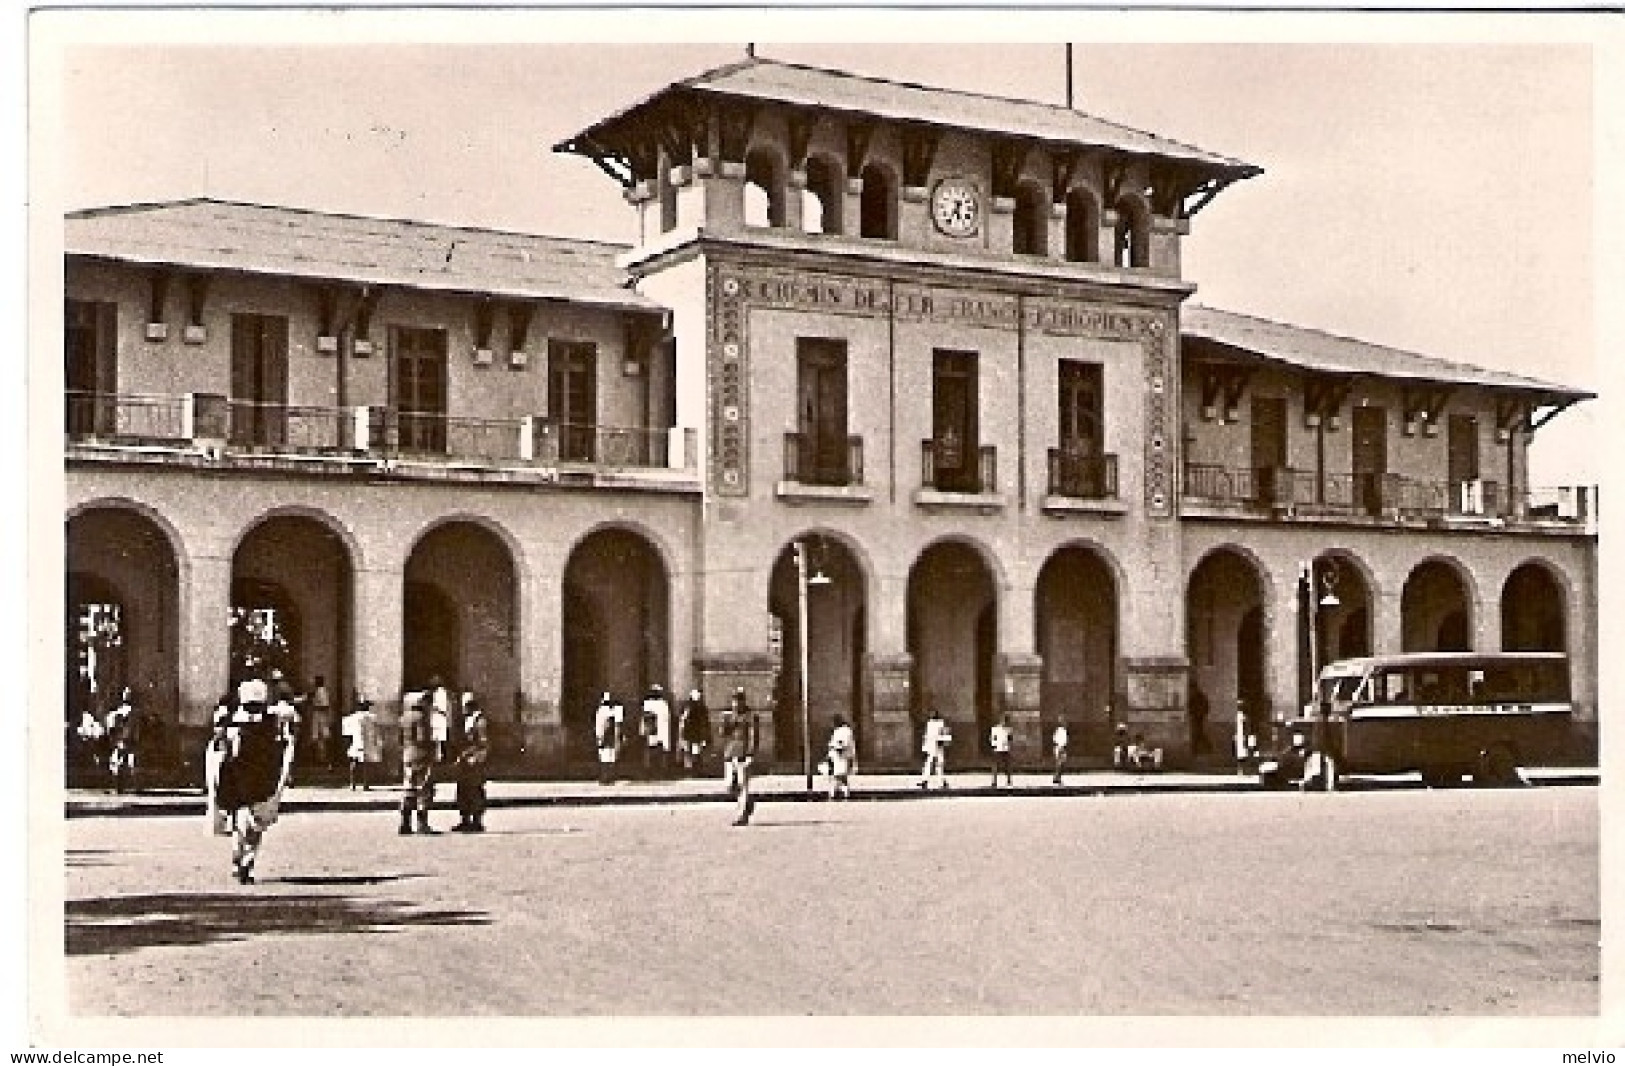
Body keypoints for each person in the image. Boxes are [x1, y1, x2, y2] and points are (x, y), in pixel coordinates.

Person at [206, 679, 295, 884]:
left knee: (239, 819)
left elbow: (218, 745)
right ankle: (247, 859)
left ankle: (239, 858)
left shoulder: (231, 719)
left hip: (236, 775)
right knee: (256, 822)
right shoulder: (272, 720)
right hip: (260, 777)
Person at [398, 692, 437, 835]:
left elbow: (400, 740)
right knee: (424, 789)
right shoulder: (421, 718)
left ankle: (405, 823)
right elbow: (421, 737)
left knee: (409, 788)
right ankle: (422, 824)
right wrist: (432, 749)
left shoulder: (403, 718)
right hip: (420, 754)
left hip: (407, 754)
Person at [453, 692, 489, 833]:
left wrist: (477, 757)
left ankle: (476, 821)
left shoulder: (480, 721)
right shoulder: (466, 720)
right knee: (463, 790)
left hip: (474, 761)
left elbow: (484, 743)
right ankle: (465, 819)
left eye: (465, 706)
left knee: (475, 790)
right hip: (464, 761)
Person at [720, 687, 757, 825]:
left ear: (743, 701)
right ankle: (749, 803)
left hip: (743, 753)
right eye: (734, 700)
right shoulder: (729, 716)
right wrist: (725, 722)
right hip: (730, 753)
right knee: (729, 785)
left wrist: (750, 754)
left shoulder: (750, 716)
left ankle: (742, 815)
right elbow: (723, 734)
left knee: (743, 785)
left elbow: (754, 736)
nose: (735, 704)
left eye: (738, 700)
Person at [104, 687, 141, 794]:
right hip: (126, 738)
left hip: (122, 738)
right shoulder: (133, 712)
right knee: (125, 761)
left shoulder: (121, 711)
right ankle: (124, 785)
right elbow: (134, 728)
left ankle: (120, 786)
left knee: (119, 761)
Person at [643, 684, 672, 779]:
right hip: (656, 730)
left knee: (654, 750)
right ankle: (655, 770)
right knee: (655, 750)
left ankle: (656, 770)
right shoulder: (662, 704)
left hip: (657, 730)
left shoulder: (657, 703)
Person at [677, 687, 709, 775]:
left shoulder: (688, 707)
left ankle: (691, 770)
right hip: (693, 733)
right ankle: (693, 770)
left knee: (691, 751)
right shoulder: (699, 708)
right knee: (692, 751)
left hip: (692, 733)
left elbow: (683, 720)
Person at [917, 708, 951, 790]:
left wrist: (944, 741)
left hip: (938, 745)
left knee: (939, 764)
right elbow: (928, 736)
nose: (931, 715)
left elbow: (945, 733)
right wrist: (926, 746)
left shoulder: (940, 723)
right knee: (930, 763)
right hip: (931, 746)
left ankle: (941, 781)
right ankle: (925, 780)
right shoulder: (930, 723)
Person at [826, 715, 856, 800]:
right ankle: (840, 793)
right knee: (839, 776)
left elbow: (842, 744)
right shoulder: (843, 730)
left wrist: (834, 747)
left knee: (839, 776)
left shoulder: (843, 731)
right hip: (839, 757)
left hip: (841, 757)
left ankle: (835, 794)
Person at [594, 693, 622, 785]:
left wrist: (599, 737)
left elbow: (599, 726)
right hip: (610, 736)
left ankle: (605, 778)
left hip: (604, 736)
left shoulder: (600, 711)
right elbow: (616, 725)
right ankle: (609, 778)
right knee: (610, 757)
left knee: (604, 757)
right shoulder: (613, 711)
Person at [308, 675, 335, 769]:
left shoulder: (322, 691)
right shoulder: (316, 691)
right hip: (317, 716)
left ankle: (325, 760)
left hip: (321, 717)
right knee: (317, 738)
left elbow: (325, 705)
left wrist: (314, 705)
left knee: (323, 738)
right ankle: (319, 758)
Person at [989, 714, 1014, 787]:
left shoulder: (1009, 730)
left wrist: (1009, 745)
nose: (1005, 723)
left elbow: (1010, 739)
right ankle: (994, 781)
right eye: (1005, 721)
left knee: (1007, 766)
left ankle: (1009, 780)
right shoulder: (995, 729)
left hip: (1006, 749)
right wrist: (994, 745)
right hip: (997, 749)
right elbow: (992, 738)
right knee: (995, 766)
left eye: (1007, 721)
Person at [1188, 681, 1211, 757]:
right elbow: (1190, 706)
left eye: (1191, 688)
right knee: (1199, 733)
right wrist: (1191, 713)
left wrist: (1201, 713)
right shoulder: (1195, 696)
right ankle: (1204, 748)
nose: (1191, 690)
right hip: (1196, 716)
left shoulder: (1199, 696)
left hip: (1198, 717)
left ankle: (1195, 750)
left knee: (1196, 733)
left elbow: (1205, 705)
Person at [1051, 719, 1070, 785]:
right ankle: (1057, 778)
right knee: (1059, 764)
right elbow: (1055, 739)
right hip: (1060, 747)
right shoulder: (1060, 730)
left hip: (1061, 748)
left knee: (1061, 764)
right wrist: (1060, 747)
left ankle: (1058, 777)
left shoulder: (1063, 730)